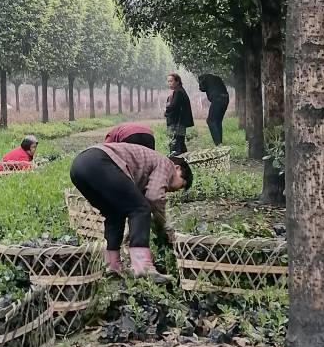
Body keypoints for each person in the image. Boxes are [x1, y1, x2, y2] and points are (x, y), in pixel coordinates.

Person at [69, 143, 193, 278]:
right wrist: (163, 224)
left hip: (78, 167)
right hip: (99, 161)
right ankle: (142, 266)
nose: (176, 190)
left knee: (114, 214)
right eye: (182, 185)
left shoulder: (149, 168)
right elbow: (154, 197)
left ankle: (113, 266)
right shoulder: (167, 164)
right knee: (141, 209)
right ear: (178, 169)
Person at [164, 72, 194, 156]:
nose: (169, 83)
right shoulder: (179, 91)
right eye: (168, 81)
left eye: (171, 81)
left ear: (177, 81)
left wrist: (166, 112)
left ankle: (176, 165)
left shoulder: (178, 92)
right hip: (179, 122)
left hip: (178, 122)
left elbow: (173, 106)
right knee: (180, 143)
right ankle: (184, 163)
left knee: (176, 145)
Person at [197, 73, 230, 146]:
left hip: (218, 99)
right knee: (217, 121)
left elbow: (202, 88)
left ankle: (218, 144)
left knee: (210, 121)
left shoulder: (203, 78)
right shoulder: (216, 78)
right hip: (226, 98)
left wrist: (200, 85)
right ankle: (220, 143)